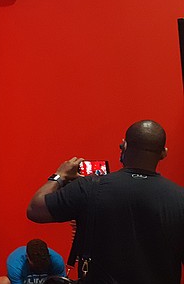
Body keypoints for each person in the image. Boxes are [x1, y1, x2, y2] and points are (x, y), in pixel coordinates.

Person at [26, 120, 184, 283]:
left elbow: (35, 209)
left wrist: (60, 176)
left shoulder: (90, 187)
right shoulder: (180, 198)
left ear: (123, 146)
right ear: (164, 153)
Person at [0, 239, 66, 284]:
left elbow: (60, 282)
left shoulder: (57, 261)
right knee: (2, 281)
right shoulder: (15, 263)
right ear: (27, 257)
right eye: (37, 265)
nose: (40, 268)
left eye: (43, 264)